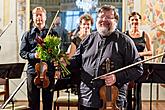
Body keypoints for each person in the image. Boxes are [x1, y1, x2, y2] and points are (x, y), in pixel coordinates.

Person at [60, 5, 143, 110]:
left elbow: (138, 69)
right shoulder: (87, 40)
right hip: (87, 98)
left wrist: (116, 77)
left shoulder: (125, 41)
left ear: (116, 21)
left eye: (108, 17)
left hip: (111, 99)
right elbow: (76, 62)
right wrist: (64, 63)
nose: (104, 20)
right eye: (101, 17)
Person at [19, 6, 58, 110]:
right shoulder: (27, 34)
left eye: (41, 15)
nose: (39, 17)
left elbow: (57, 52)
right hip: (33, 71)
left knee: (48, 100)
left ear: (45, 17)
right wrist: (34, 55)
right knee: (33, 101)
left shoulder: (53, 33)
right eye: (36, 15)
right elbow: (22, 53)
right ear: (33, 17)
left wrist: (51, 51)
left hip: (48, 71)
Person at [125, 12, 152, 110]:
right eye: (132, 19)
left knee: (137, 93)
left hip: (140, 66)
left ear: (140, 21)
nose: (134, 21)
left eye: (136, 19)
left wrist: (139, 54)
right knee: (127, 93)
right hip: (128, 66)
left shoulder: (145, 35)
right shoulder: (125, 35)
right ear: (129, 21)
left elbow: (150, 52)